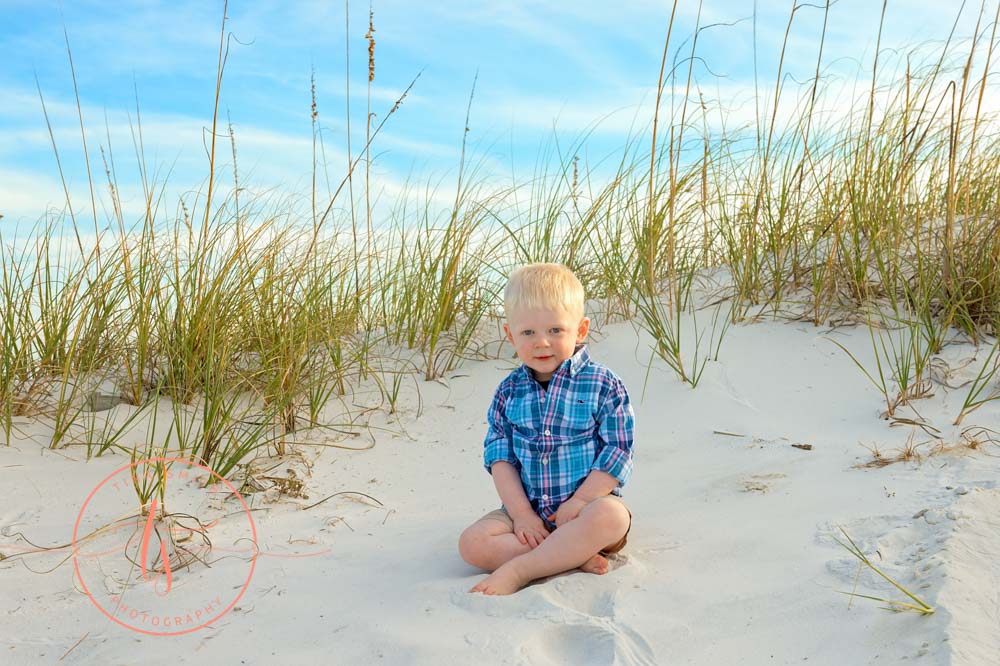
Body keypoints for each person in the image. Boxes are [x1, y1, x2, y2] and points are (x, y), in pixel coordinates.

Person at [459, 263, 634, 595]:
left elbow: (617, 453)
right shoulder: (509, 392)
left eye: (555, 330)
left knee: (613, 518)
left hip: (587, 511)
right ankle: (568, 555)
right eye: (528, 333)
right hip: (529, 515)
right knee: (471, 544)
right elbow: (501, 459)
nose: (542, 342)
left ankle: (523, 568)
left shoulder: (602, 384)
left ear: (580, 330)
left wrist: (581, 500)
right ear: (510, 334)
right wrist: (523, 515)